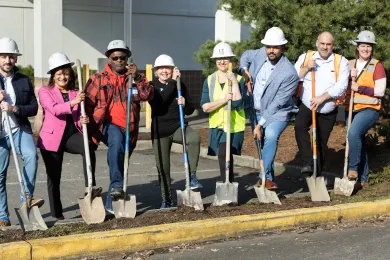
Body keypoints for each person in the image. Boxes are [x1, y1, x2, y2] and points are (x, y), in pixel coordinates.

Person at [85, 40, 154, 214]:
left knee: (120, 164)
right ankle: (116, 185)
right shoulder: (98, 79)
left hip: (130, 130)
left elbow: (148, 95)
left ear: (127, 58)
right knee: (115, 142)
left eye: (122, 57)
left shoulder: (134, 78)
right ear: (109, 57)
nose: (119, 60)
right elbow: (86, 104)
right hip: (108, 126)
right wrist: (86, 123)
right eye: (115, 57)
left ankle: (110, 206)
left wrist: (137, 77)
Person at [37, 52, 102, 220]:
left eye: (65, 73)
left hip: (72, 135)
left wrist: (83, 120)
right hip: (51, 139)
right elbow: (54, 109)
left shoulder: (76, 92)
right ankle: (57, 213)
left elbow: (78, 120)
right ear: (53, 76)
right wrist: (73, 102)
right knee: (54, 177)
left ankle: (89, 187)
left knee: (87, 148)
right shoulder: (45, 91)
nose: (63, 77)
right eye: (58, 74)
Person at [240, 27, 299, 189]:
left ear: (283, 48)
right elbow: (245, 55)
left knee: (271, 136)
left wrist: (260, 124)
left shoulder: (289, 73)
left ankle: (263, 177)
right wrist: (245, 71)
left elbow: (277, 103)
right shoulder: (260, 53)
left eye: (275, 47)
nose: (271, 50)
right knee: (262, 145)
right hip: (256, 110)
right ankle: (268, 179)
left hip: (278, 113)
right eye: (269, 47)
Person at [149, 54, 202, 208]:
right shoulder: (151, 86)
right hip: (160, 132)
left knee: (194, 139)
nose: (165, 71)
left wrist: (184, 104)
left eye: (168, 68)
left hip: (178, 127)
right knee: (163, 168)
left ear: (172, 69)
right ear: (156, 70)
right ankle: (166, 199)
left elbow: (191, 109)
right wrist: (173, 81)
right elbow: (161, 100)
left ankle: (192, 176)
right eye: (161, 68)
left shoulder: (179, 85)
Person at [0, 37, 43, 227]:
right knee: (0, 175)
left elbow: (33, 108)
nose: (7, 60)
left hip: (18, 129)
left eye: (11, 56)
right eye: (3, 56)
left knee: (31, 157)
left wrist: (15, 108)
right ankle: (2, 215)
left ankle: (26, 199)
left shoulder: (24, 80)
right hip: (0, 134)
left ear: (16, 59)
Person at [294, 32, 349, 177]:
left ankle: (316, 173)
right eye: (322, 44)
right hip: (307, 104)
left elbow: (341, 86)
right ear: (317, 43)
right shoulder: (306, 57)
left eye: (328, 44)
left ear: (333, 45)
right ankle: (307, 162)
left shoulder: (340, 61)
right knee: (299, 127)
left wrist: (322, 98)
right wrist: (306, 68)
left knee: (321, 142)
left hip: (328, 108)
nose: (325, 47)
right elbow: (293, 77)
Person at [200, 42, 246, 184]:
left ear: (230, 60)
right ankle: (228, 183)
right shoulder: (210, 80)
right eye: (219, 58)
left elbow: (238, 104)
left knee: (224, 153)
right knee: (223, 154)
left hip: (233, 127)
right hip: (217, 126)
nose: (222, 61)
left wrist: (233, 81)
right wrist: (224, 100)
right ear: (215, 60)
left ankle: (225, 182)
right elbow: (205, 107)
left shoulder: (239, 80)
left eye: (225, 58)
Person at [345, 31, 386, 187]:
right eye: (363, 45)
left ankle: (353, 169)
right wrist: (349, 77)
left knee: (353, 133)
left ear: (372, 48)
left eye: (369, 46)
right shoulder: (349, 64)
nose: (366, 49)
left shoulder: (377, 66)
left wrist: (359, 87)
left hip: (369, 108)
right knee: (358, 140)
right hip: (351, 108)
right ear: (357, 47)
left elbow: (380, 91)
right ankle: (363, 178)